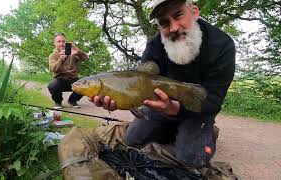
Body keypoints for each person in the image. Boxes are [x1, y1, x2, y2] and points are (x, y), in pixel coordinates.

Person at [90, 0, 235, 168]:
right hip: (160, 106)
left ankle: (207, 130)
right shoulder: (154, 45)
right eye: (164, 23)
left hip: (199, 111)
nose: (173, 28)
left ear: (194, 12)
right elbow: (138, 85)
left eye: (178, 15)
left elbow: (213, 101)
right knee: (132, 140)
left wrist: (175, 109)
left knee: (191, 158)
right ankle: (173, 129)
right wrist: (120, 99)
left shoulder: (222, 44)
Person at [48, 32, 89, 109]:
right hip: (60, 80)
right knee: (52, 85)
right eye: (59, 41)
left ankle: (72, 101)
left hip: (73, 80)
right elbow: (53, 69)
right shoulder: (52, 55)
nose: (62, 43)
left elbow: (86, 58)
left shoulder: (72, 52)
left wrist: (78, 51)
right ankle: (58, 102)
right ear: (55, 43)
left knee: (85, 84)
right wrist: (61, 59)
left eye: (63, 41)